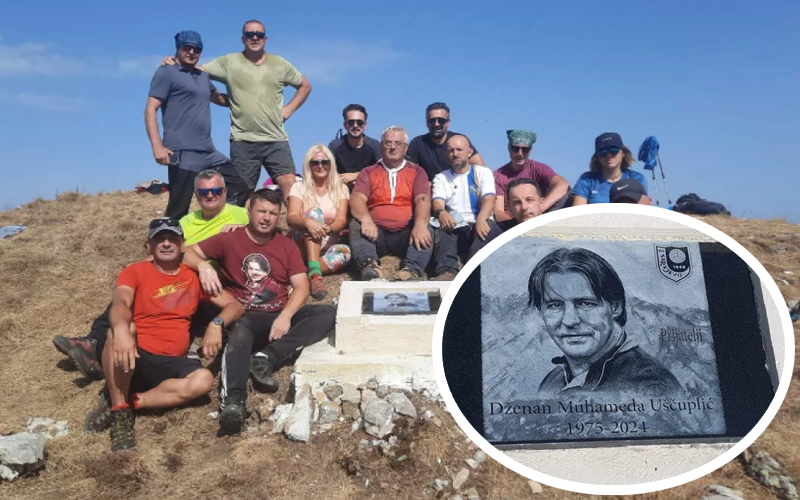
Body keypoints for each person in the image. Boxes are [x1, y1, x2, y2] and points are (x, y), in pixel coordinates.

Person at [53, 170, 248, 380]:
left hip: (211, 290)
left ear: (225, 192)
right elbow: (169, 254)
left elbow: (262, 233)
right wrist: (201, 266)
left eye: (216, 191)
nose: (210, 195)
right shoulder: (185, 223)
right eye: (203, 192)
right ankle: (94, 345)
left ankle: (101, 354)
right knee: (134, 287)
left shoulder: (241, 215)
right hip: (182, 281)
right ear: (195, 194)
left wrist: (243, 230)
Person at [182, 189, 336, 433]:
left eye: (273, 213)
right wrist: (203, 266)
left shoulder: (286, 246)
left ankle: (267, 358)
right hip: (244, 315)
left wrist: (285, 316)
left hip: (277, 315)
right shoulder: (228, 239)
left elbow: (301, 286)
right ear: (249, 211)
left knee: (326, 313)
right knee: (241, 329)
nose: (267, 218)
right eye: (261, 211)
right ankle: (233, 401)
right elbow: (186, 251)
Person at [84, 218, 244, 451]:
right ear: (149, 246)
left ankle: (131, 402)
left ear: (182, 245)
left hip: (172, 362)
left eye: (172, 239)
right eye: (159, 239)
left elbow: (235, 306)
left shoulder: (193, 276)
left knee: (203, 380)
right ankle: (120, 415)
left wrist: (216, 324)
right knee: (121, 329)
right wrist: (120, 329)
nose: (166, 244)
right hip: (135, 356)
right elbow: (121, 302)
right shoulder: (135, 271)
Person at [164, 20, 313, 206]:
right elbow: (196, 71)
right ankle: (245, 232)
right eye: (250, 34)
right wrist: (174, 61)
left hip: (276, 138)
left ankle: (296, 229)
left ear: (265, 38)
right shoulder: (229, 62)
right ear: (243, 38)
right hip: (243, 140)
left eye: (259, 34)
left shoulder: (279, 64)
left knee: (289, 184)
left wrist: (289, 109)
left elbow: (305, 85)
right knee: (244, 192)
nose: (255, 38)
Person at [527, 247, 682, 397]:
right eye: (555, 305)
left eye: (585, 303)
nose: (570, 321)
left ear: (616, 307)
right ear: (541, 312)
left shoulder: (651, 386)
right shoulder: (551, 384)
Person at [145, 30, 247, 218]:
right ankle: (169, 244)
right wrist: (157, 146)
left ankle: (215, 228)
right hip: (183, 152)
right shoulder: (167, 72)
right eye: (187, 48)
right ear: (178, 49)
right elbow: (151, 109)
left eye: (197, 49)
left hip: (209, 151)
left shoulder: (202, 75)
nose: (192, 52)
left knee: (239, 188)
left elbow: (221, 100)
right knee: (179, 208)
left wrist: (249, 97)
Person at [349, 126, 434, 281]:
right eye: (388, 143)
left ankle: (411, 270)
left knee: (427, 227)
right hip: (375, 232)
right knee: (356, 224)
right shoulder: (368, 172)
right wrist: (366, 220)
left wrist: (420, 224)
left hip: (406, 233)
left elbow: (422, 199)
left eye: (398, 143)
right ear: (381, 147)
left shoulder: (417, 172)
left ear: (405, 148)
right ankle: (369, 266)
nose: (393, 147)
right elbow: (357, 198)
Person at [286, 145, 352, 300]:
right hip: (302, 240)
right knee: (315, 213)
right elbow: (292, 217)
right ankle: (315, 275)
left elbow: (341, 219)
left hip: (327, 242)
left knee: (346, 252)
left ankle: (307, 269)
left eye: (325, 162)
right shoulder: (298, 187)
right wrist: (309, 222)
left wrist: (328, 229)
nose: (320, 166)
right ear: (308, 165)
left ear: (331, 164)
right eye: (315, 162)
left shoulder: (341, 188)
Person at [429, 134, 496, 280]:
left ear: (469, 152)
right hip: (456, 224)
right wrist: (441, 212)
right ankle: (447, 271)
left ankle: (471, 273)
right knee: (444, 225)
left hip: (479, 220)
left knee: (484, 231)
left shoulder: (483, 172)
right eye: (451, 151)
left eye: (459, 150)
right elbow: (437, 201)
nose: (455, 154)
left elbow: (489, 199)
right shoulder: (441, 177)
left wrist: (482, 218)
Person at [493, 130, 570, 221]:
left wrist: (540, 208)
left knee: (566, 196)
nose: (520, 154)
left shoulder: (539, 168)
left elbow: (563, 184)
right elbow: (499, 212)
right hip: (512, 223)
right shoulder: (498, 176)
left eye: (525, 149)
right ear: (509, 148)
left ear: (530, 150)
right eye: (515, 149)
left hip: (538, 219)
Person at [406, 102, 485, 181]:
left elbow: (481, 168)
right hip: (429, 190)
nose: (436, 124)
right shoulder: (417, 143)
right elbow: (408, 173)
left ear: (448, 123)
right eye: (432, 121)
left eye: (441, 120)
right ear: (427, 123)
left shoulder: (459, 140)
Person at [572, 133, 648, 205]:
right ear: (597, 157)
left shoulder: (637, 179)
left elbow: (642, 210)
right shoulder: (586, 180)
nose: (608, 155)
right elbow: (578, 211)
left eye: (613, 150)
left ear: (623, 153)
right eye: (603, 152)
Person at [328, 104, 381, 189]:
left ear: (365, 125)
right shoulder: (335, 146)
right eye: (351, 122)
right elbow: (326, 171)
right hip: (341, 191)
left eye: (359, 122)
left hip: (368, 191)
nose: (355, 125)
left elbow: (382, 170)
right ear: (345, 125)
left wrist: (356, 175)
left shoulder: (374, 145)